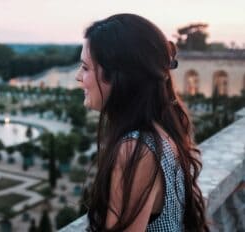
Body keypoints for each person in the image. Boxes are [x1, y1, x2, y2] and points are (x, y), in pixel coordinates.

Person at [75, 14, 209, 231]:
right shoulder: (160, 132)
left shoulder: (135, 149)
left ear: (120, 75)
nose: (78, 76)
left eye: (86, 67)